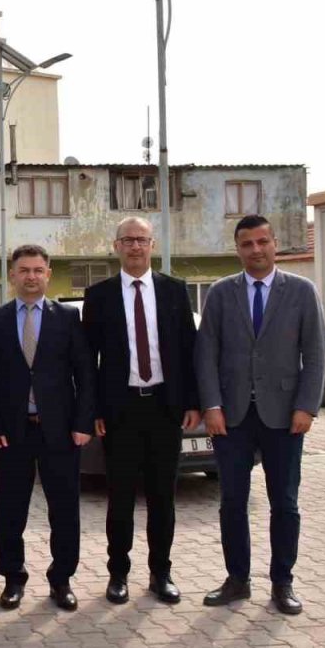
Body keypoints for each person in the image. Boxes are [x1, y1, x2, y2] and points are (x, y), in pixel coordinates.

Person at [196, 214, 325, 615]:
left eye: (262, 242)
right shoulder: (220, 293)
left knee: (284, 503)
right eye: (247, 244)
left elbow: (317, 353)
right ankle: (237, 580)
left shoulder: (302, 291)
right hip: (231, 417)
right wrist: (212, 406)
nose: (256, 250)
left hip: (285, 416)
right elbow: (206, 354)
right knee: (232, 502)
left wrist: (307, 406)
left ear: (274, 244)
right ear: (237, 249)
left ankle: (282, 582)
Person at [82, 218, 201, 606]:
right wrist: (94, 409)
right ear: (116, 246)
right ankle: (118, 574)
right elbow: (88, 361)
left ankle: (160, 573)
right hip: (120, 411)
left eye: (142, 240)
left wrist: (193, 402)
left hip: (165, 408)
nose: (135, 246)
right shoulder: (98, 296)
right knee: (119, 498)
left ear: (152, 245)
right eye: (128, 240)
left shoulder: (174, 291)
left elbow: (189, 350)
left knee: (162, 496)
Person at [0, 244, 95, 612]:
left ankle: (61, 579)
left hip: (59, 431)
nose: (31, 276)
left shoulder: (67, 318)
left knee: (64, 509)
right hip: (12, 432)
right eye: (24, 270)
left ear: (48, 273)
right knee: (10, 510)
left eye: (38, 270)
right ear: (12, 275)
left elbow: (85, 373)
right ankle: (13, 579)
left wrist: (82, 422)